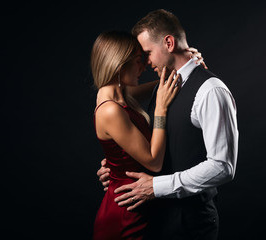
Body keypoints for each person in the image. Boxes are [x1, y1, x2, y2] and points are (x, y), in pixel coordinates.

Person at [97, 9, 239, 239]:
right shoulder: (160, 88)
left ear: (169, 43)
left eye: (148, 53)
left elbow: (223, 166)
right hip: (155, 221)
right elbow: (124, 108)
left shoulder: (211, 91)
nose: (146, 63)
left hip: (191, 225)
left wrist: (157, 187)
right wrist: (116, 165)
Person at [91, 30, 181, 239]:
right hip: (124, 214)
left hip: (136, 206)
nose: (144, 67)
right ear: (119, 64)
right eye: (138, 61)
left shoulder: (117, 95)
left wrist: (183, 69)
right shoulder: (110, 109)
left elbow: (160, 87)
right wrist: (160, 109)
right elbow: (154, 162)